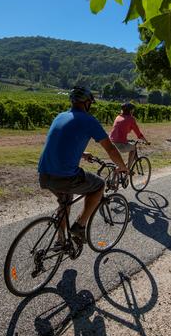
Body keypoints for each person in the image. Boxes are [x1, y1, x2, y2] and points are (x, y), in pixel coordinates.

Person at [38, 86, 128, 243]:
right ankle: (79, 226)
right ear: (87, 103)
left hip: (45, 174)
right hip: (65, 177)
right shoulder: (89, 120)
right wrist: (123, 167)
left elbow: (61, 144)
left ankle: (61, 241)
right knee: (99, 185)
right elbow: (111, 149)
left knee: (65, 202)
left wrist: (81, 154)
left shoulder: (60, 116)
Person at [109, 102, 150, 170]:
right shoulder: (131, 119)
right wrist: (146, 142)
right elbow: (139, 134)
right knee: (133, 148)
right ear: (131, 110)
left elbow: (120, 131)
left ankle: (120, 170)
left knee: (128, 146)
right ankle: (127, 169)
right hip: (120, 144)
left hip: (110, 142)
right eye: (133, 110)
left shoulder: (118, 117)